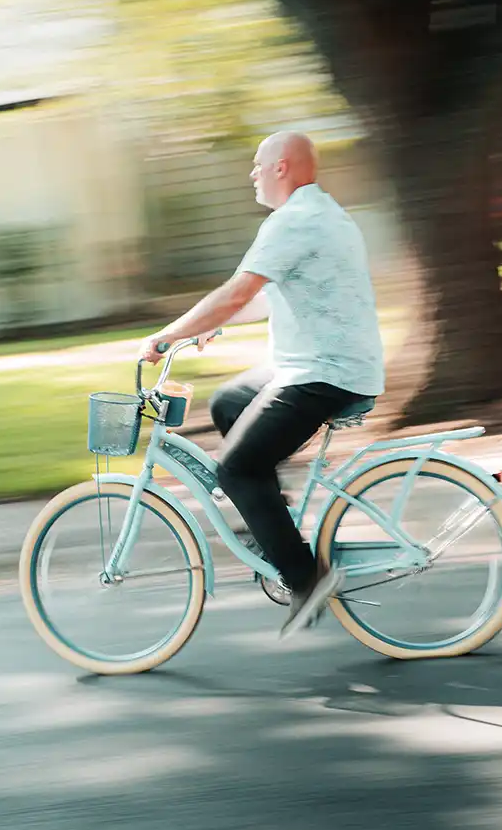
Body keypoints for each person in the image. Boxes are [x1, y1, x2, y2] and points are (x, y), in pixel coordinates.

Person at [137, 130, 386, 639]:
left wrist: (168, 335)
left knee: (237, 472)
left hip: (324, 373)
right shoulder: (325, 215)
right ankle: (278, 514)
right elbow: (275, 293)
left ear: (282, 168)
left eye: (257, 164)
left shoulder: (292, 221)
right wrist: (207, 323)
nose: (250, 173)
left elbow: (237, 291)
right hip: (320, 364)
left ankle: (306, 578)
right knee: (230, 402)